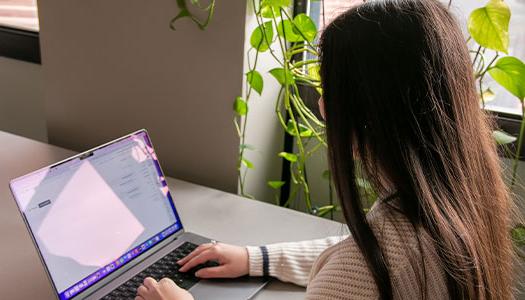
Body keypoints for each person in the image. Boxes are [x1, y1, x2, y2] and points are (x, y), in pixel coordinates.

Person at [135, 0, 516, 299]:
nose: (320, 103)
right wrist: (259, 259)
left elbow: (359, 267)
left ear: (368, 113)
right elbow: (356, 249)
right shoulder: (462, 201)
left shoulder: (368, 270)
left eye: (328, 88)